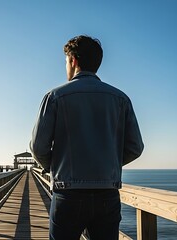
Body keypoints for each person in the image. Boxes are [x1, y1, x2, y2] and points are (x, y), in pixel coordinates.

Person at [30, 35, 144, 240]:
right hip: (107, 194)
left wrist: (53, 166)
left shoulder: (55, 97)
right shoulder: (121, 98)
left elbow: (39, 147)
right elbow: (135, 147)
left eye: (66, 61)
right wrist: (107, 163)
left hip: (68, 194)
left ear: (73, 60)